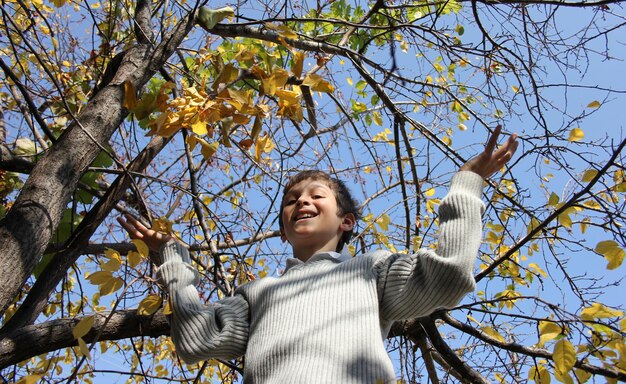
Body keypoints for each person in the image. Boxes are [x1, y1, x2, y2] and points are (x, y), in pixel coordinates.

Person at [118, 126, 518, 383]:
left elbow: (446, 277)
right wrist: (172, 259)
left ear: (346, 222)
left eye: (315, 196)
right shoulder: (258, 293)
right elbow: (195, 339)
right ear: (283, 227)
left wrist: (467, 185)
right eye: (291, 200)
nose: (301, 203)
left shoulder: (371, 269)